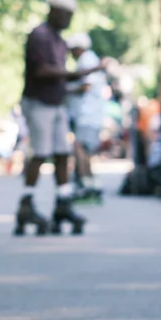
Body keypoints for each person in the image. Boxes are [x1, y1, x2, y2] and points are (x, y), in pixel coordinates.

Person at [15, 0, 103, 235]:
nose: (69, 20)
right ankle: (26, 202)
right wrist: (80, 74)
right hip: (39, 102)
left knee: (63, 153)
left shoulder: (58, 40)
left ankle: (62, 201)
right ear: (54, 11)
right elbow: (43, 72)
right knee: (41, 153)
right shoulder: (40, 36)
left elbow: (59, 76)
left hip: (57, 103)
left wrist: (73, 84)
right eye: (66, 14)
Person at [66, 33, 108, 202]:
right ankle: (90, 183)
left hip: (88, 114)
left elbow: (85, 86)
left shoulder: (86, 60)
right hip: (89, 114)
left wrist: (64, 89)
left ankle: (85, 182)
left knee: (80, 148)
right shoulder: (89, 59)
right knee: (85, 150)